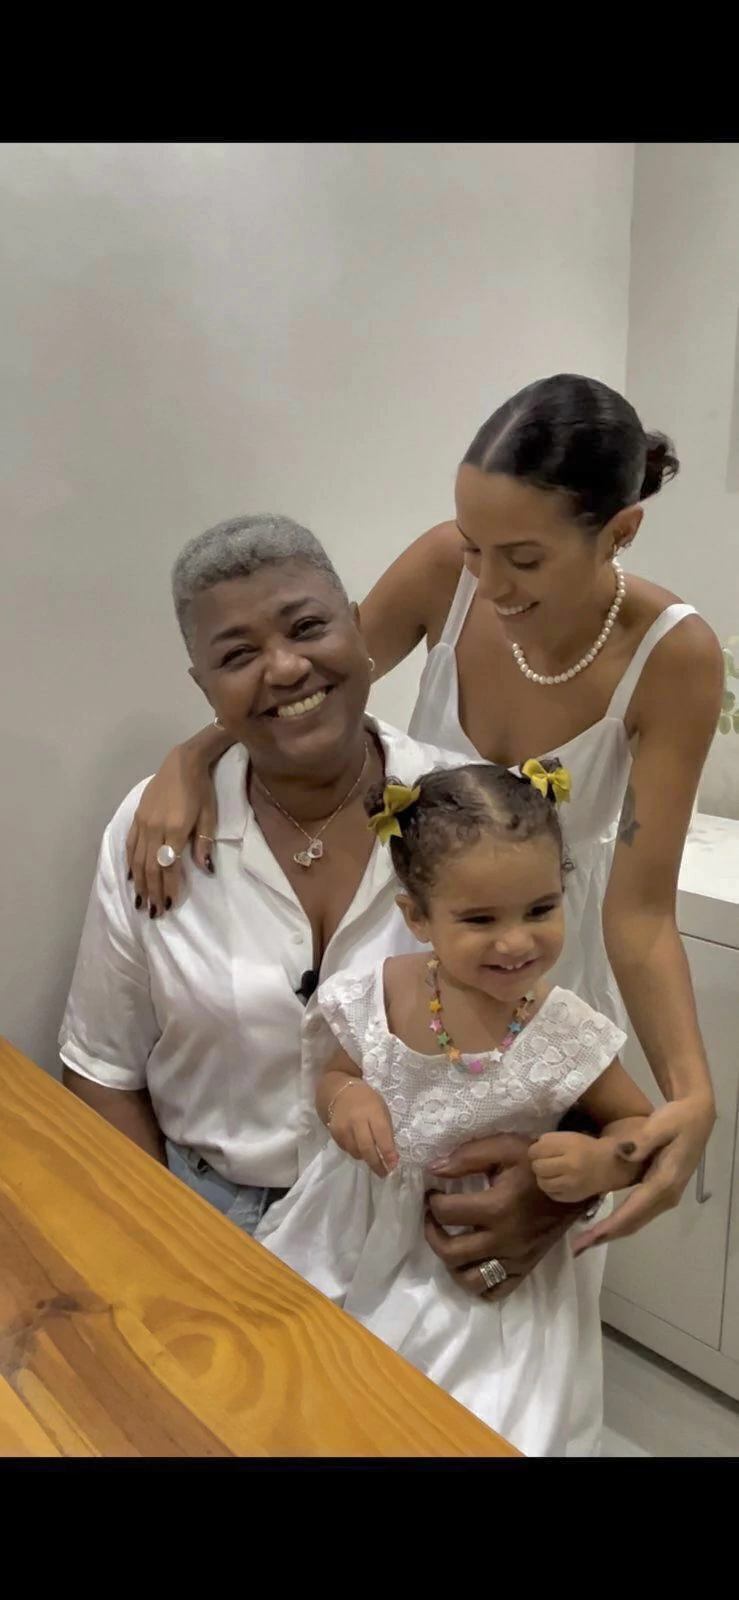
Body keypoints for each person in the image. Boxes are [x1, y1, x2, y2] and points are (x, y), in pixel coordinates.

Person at [125, 375, 723, 1253]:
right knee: (391, 1217)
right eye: (474, 545)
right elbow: (306, 690)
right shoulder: (447, 570)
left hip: (540, 968)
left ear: (619, 531)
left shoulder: (672, 657)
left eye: (522, 559)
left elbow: (638, 914)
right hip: (422, 963)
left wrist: (690, 1093)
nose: (490, 582)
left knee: (513, 1233)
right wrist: (191, 757)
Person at [255, 761, 652, 1456]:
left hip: (478, 1266)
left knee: (470, 1420)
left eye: (540, 909)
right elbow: (336, 1073)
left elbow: (639, 1127)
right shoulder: (380, 993)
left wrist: (599, 1162)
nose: (515, 941)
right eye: (479, 919)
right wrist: (346, 1098)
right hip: (355, 1230)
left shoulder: (563, 1029)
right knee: (297, 1388)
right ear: (417, 916)